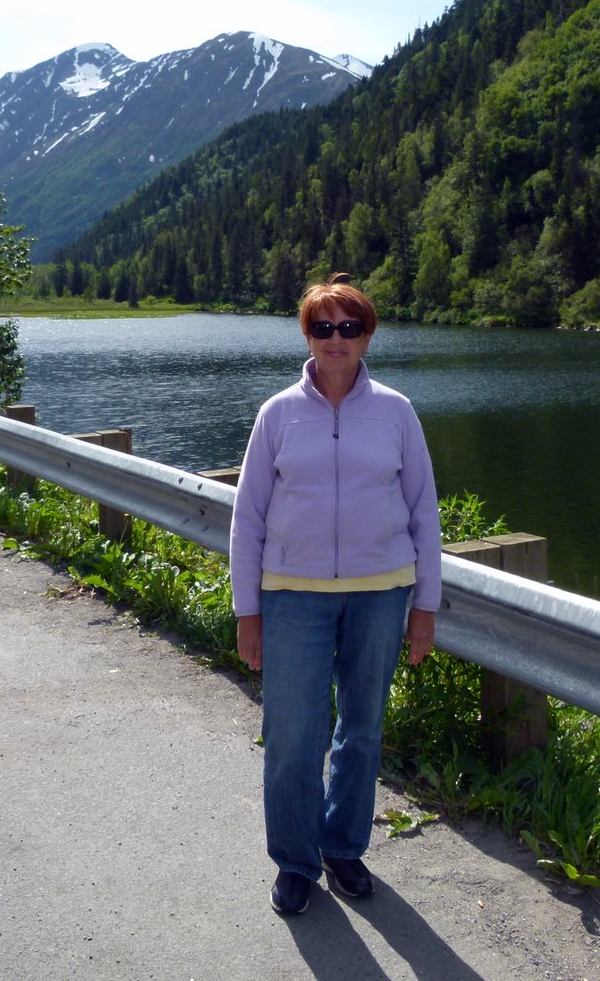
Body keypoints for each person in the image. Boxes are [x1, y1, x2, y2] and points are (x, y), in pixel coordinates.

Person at [230, 273, 443, 916]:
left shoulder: (397, 412)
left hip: (381, 594)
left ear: (368, 336)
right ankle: (295, 861)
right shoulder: (277, 414)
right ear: (307, 336)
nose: (336, 339)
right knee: (293, 734)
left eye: (349, 327)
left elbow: (423, 512)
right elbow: (248, 518)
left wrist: (425, 606)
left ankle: (343, 849)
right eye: (322, 327)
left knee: (362, 730)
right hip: (292, 596)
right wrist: (247, 612)